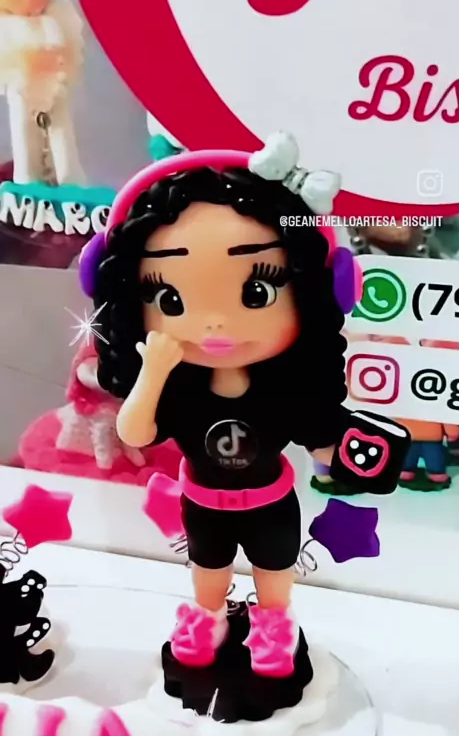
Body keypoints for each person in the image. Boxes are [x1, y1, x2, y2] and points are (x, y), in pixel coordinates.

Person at [78, 132, 364, 679]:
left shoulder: (285, 387)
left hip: (272, 503)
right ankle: (207, 620)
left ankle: (274, 629)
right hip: (203, 503)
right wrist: (153, 370)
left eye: (257, 292)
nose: (214, 325)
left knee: (274, 578)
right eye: (170, 298)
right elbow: (135, 432)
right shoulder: (179, 388)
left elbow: (324, 439)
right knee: (208, 578)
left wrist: (360, 455)